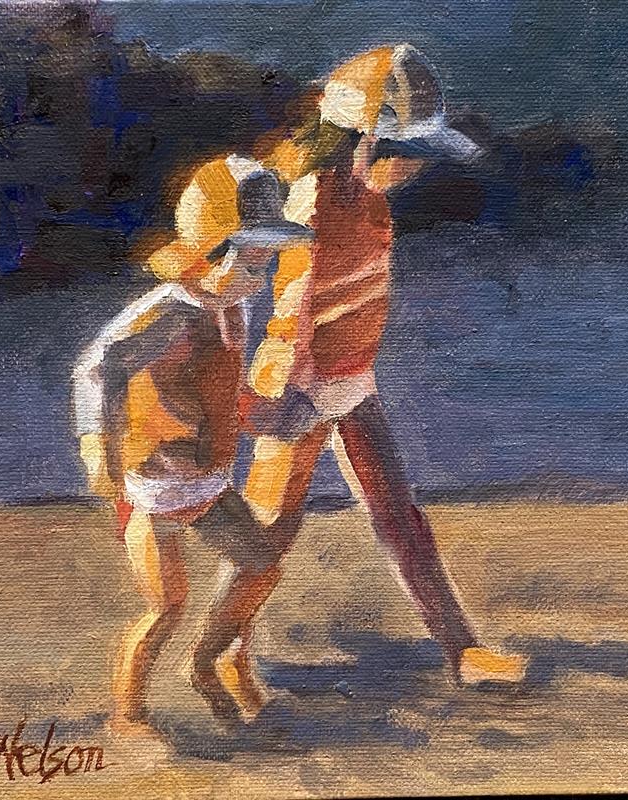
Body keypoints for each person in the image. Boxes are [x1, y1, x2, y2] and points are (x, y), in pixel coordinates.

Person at [190, 46, 527, 711]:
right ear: (363, 141)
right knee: (268, 532)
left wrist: (352, 371)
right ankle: (225, 651)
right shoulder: (313, 198)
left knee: (399, 515)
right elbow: (294, 302)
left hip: (351, 377)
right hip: (297, 382)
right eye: (408, 153)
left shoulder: (373, 203)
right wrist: (285, 393)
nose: (416, 167)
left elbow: (361, 297)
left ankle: (462, 650)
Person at [72, 154, 312, 730]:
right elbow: (97, 370)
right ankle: (129, 716)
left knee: (261, 565)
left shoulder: (232, 307)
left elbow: (220, 389)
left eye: (266, 258)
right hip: (152, 486)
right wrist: (98, 451)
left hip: (205, 482)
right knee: (166, 606)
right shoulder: (171, 313)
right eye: (251, 257)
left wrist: (265, 416)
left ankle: (205, 663)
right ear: (209, 252)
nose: (261, 272)